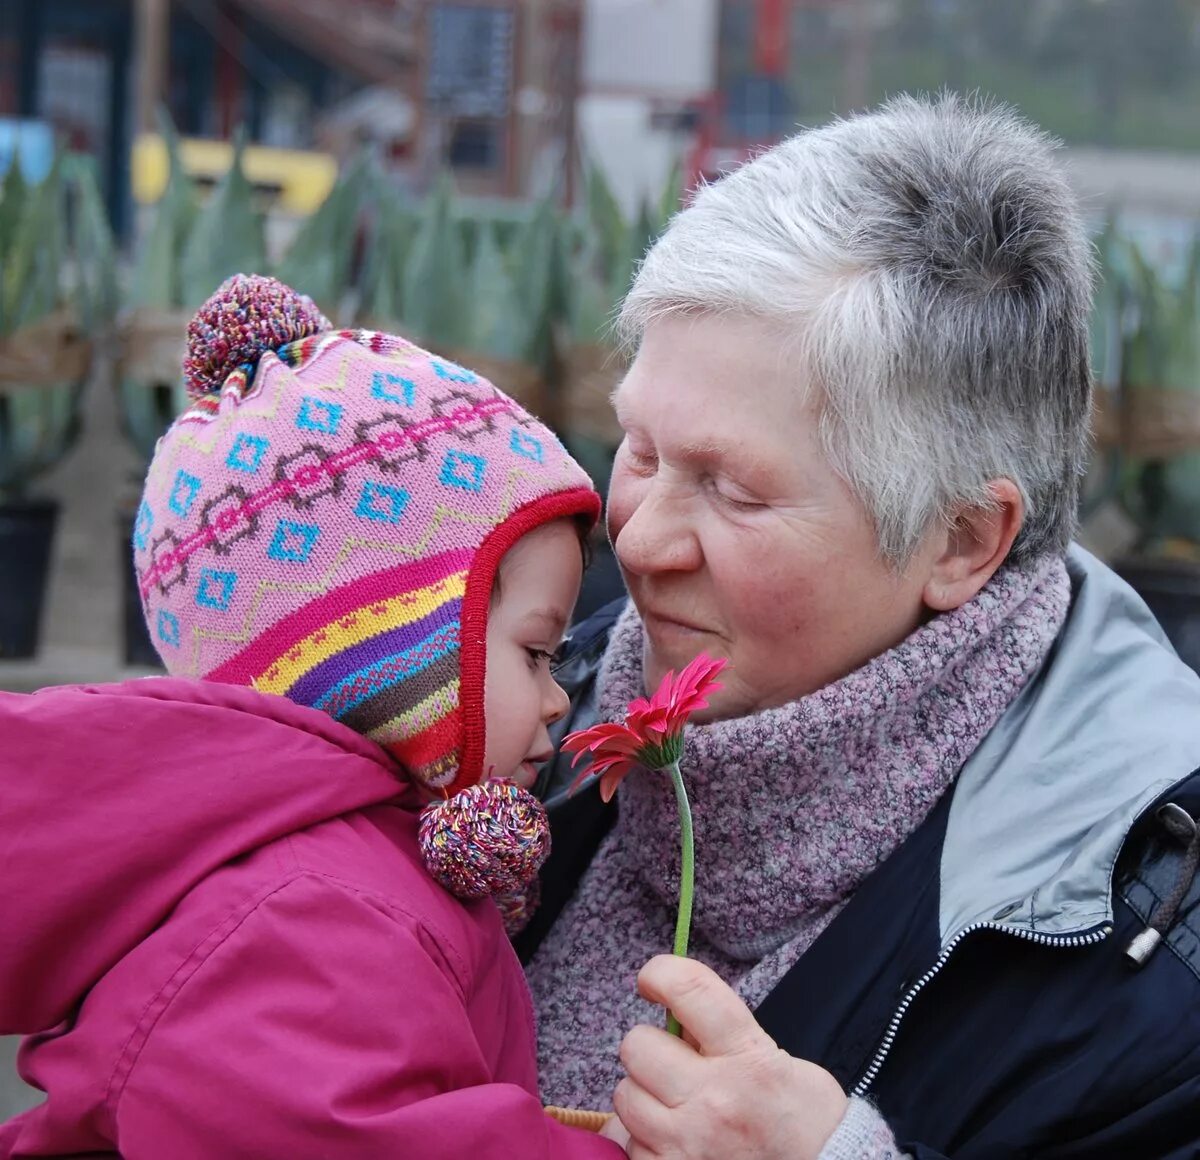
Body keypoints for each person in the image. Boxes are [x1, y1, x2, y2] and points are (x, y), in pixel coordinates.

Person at [520, 94, 1200, 1159]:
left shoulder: (1150, 941)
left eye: (734, 491)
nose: (640, 540)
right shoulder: (520, 710)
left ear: (963, 540)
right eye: (639, 448)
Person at [0, 276, 623, 1159]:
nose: (561, 697)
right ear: (388, 657)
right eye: (533, 652)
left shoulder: (341, 864)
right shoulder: (312, 913)